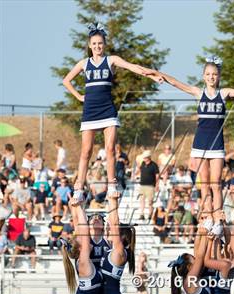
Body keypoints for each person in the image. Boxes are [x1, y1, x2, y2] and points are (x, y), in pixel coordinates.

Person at [159, 56, 234, 237]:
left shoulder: (223, 93)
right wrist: (161, 75)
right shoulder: (198, 92)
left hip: (217, 145)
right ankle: (208, 216)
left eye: (214, 74)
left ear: (219, 76)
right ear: (203, 76)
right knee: (205, 184)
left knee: (216, 184)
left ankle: (218, 219)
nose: (211, 77)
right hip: (200, 144)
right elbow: (177, 83)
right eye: (208, 74)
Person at [63, 22, 162, 206]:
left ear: (104, 44)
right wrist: (79, 96)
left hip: (107, 110)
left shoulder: (111, 60)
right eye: (94, 44)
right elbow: (66, 80)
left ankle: (112, 185)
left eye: (100, 43)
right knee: (86, 152)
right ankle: (78, 189)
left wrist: (151, 74)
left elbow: (133, 67)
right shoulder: (84, 64)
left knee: (110, 149)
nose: (97, 47)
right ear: (89, 45)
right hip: (90, 111)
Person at [62, 199, 103, 294]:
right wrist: (80, 206)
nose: (87, 239)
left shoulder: (82, 260)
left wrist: (75, 202)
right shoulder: (83, 261)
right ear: (81, 248)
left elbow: (77, 223)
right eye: (84, 240)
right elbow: (83, 227)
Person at [102, 196, 136, 294]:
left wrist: (112, 200)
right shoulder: (112, 250)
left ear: (121, 237)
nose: (110, 231)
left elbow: (114, 224)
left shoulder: (120, 251)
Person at [137, 150, 159, 220]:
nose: (144, 159)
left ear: (148, 157)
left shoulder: (154, 165)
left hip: (150, 186)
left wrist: (157, 186)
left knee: (150, 202)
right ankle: (142, 214)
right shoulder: (143, 163)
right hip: (142, 185)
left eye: (145, 157)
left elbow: (157, 176)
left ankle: (150, 214)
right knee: (142, 201)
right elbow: (140, 170)